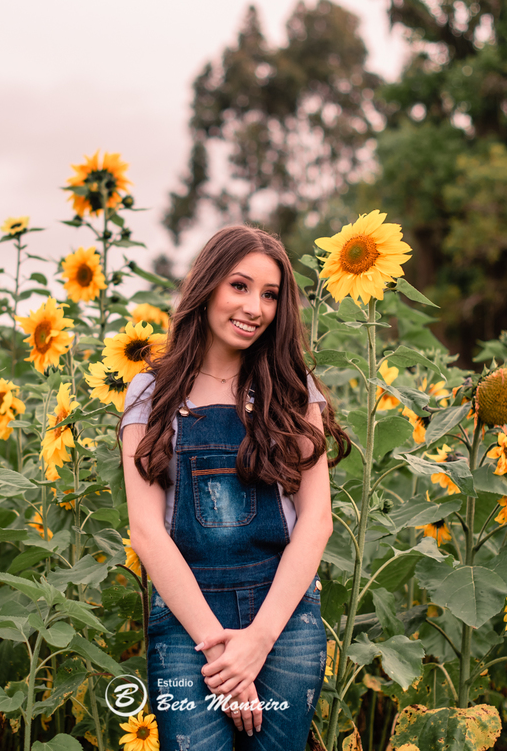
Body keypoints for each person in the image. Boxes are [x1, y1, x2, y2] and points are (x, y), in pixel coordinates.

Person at [119, 225, 350, 749]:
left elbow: (317, 520)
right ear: (206, 288)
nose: (255, 307)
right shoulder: (152, 392)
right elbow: (146, 530)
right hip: (187, 624)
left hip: (284, 620)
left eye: (270, 295)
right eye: (239, 286)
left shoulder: (290, 390)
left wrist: (258, 641)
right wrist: (221, 651)